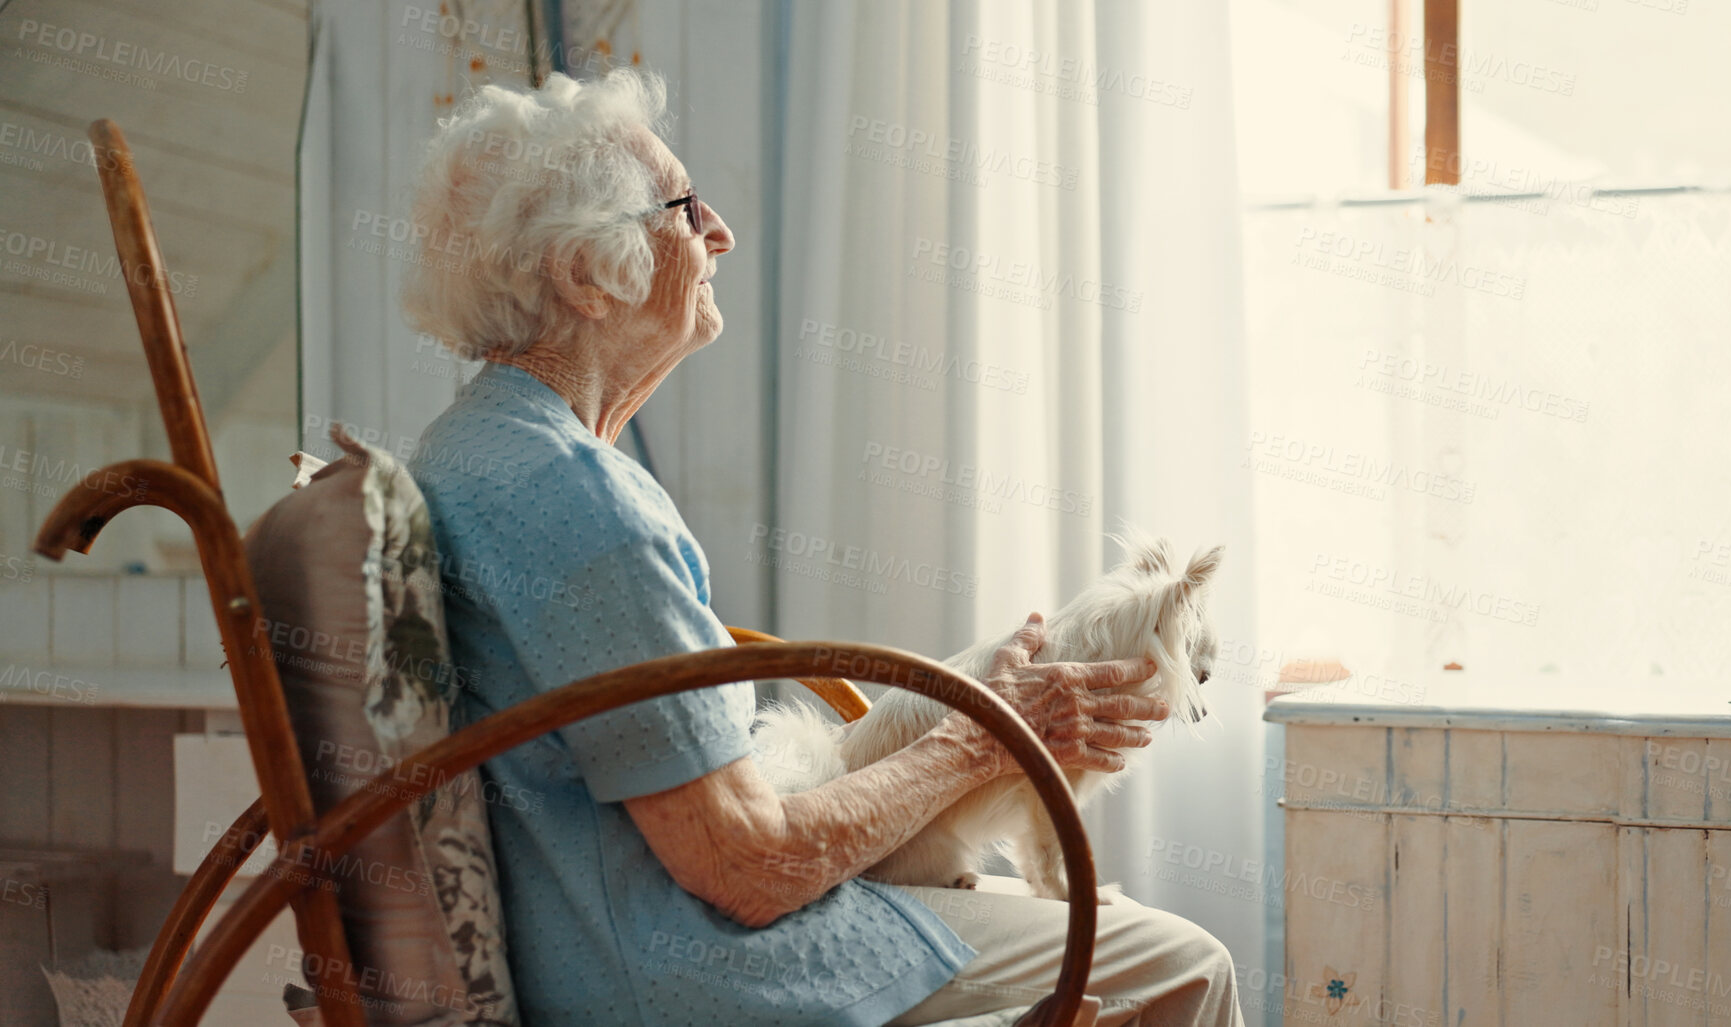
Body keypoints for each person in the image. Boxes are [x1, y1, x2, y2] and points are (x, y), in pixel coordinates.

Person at [400, 67, 1245, 1026]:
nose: (717, 232)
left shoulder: (471, 448)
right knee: (1186, 961)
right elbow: (748, 867)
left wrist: (966, 723)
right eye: (684, 207)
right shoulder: (581, 502)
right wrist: (980, 736)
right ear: (587, 273)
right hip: (676, 967)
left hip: (591, 923)